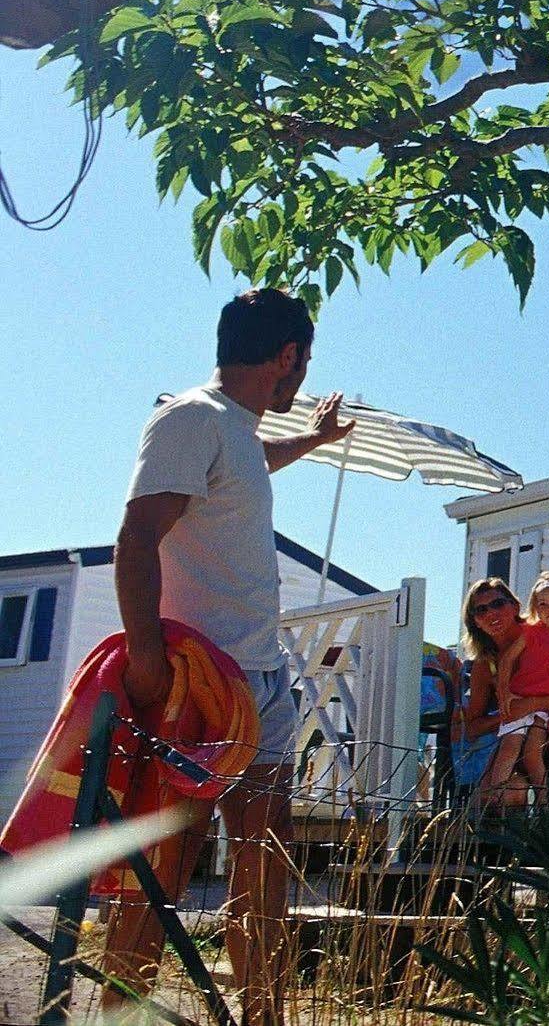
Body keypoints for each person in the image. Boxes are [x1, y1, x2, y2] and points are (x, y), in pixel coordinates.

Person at [104, 288, 353, 1026]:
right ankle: (118, 1014)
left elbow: (251, 461)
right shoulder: (189, 417)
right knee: (165, 868)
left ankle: (264, 1017)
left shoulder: (237, 432)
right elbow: (136, 539)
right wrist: (147, 659)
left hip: (266, 681)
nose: (302, 377)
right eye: (302, 363)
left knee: (264, 862)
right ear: (287, 357)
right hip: (202, 681)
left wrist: (314, 440)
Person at [454, 578, 549, 808]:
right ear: (475, 622)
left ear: (515, 606)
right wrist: (509, 714)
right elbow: (473, 727)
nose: (491, 613)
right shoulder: (486, 663)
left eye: (498, 604)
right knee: (509, 794)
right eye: (481, 610)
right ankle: (519, 827)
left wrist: (531, 704)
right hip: (517, 739)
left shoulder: (548, 634)